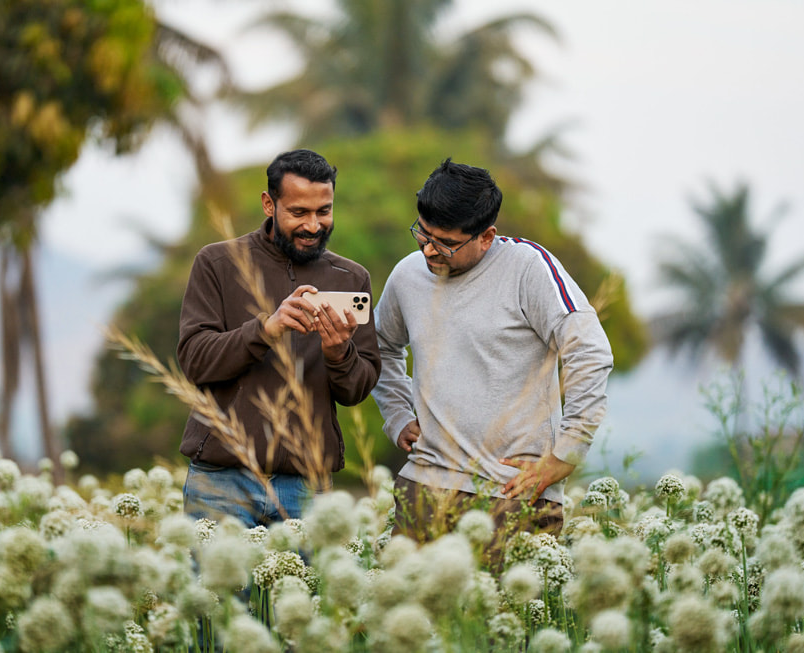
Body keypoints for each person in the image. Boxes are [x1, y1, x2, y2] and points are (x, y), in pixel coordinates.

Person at [371, 158, 614, 556]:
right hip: (424, 488)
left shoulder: (527, 269)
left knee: (507, 617)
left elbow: (589, 351)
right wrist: (397, 415)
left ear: (486, 236)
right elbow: (380, 345)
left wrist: (566, 454)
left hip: (513, 494)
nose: (429, 249)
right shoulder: (407, 275)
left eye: (446, 242)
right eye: (422, 233)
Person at [177, 149, 381, 528]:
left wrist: (339, 353)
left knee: (303, 590)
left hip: (308, 486)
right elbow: (194, 361)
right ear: (269, 204)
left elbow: (357, 390)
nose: (314, 225)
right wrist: (266, 330)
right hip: (221, 480)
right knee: (214, 591)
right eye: (299, 213)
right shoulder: (217, 263)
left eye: (324, 210)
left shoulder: (351, 278)